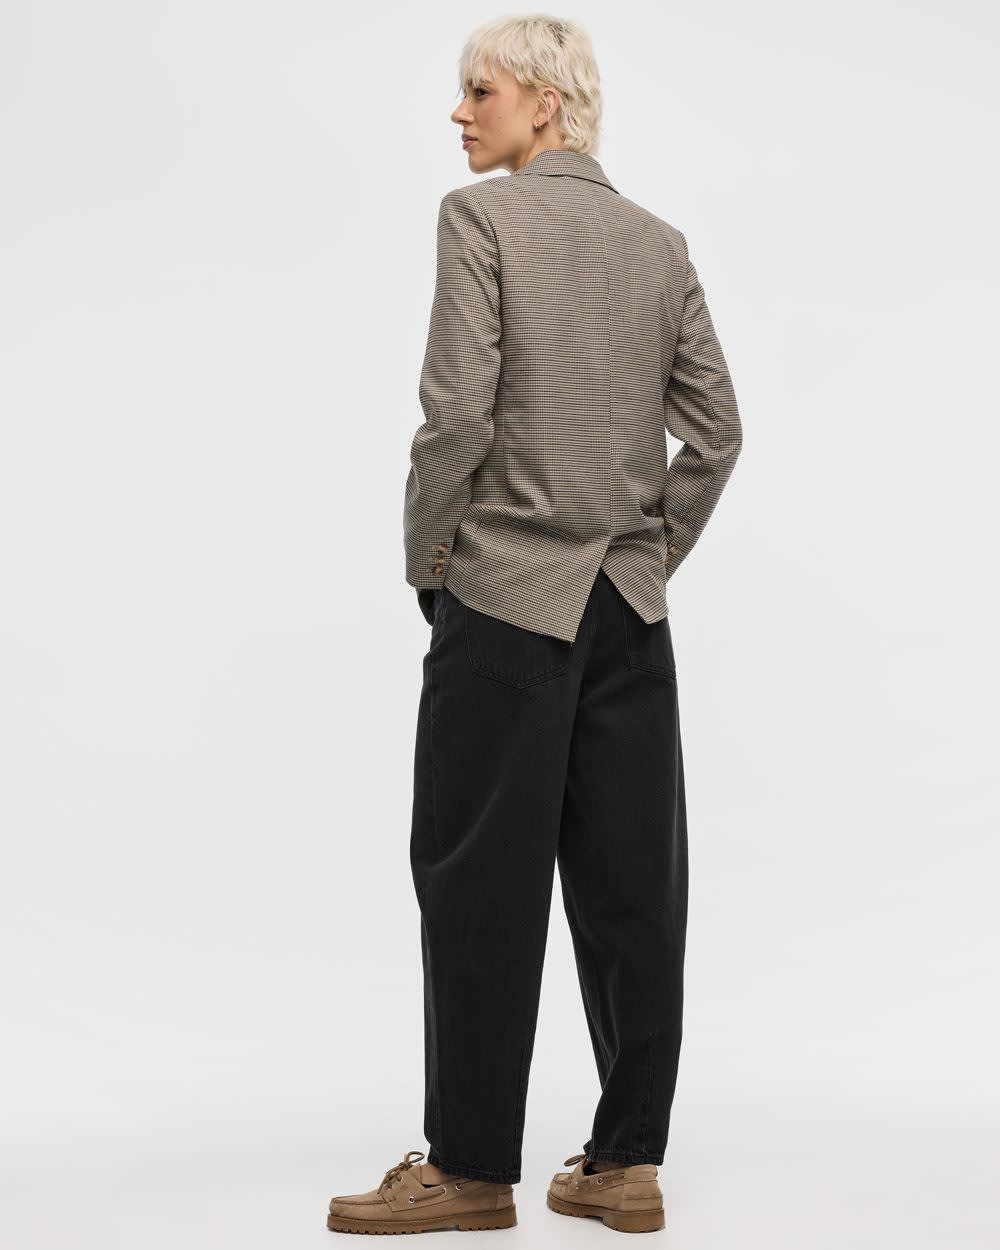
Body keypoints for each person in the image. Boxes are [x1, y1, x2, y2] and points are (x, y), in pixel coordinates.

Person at [327, 14, 742, 1237]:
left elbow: (456, 416)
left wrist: (433, 563)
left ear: (546, 104)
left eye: (481, 90)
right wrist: (648, 551)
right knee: (632, 885)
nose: (459, 113)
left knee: (477, 879)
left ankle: (467, 1166)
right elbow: (717, 432)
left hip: (507, 597)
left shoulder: (480, 221)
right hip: (627, 607)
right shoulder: (658, 244)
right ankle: (625, 1162)